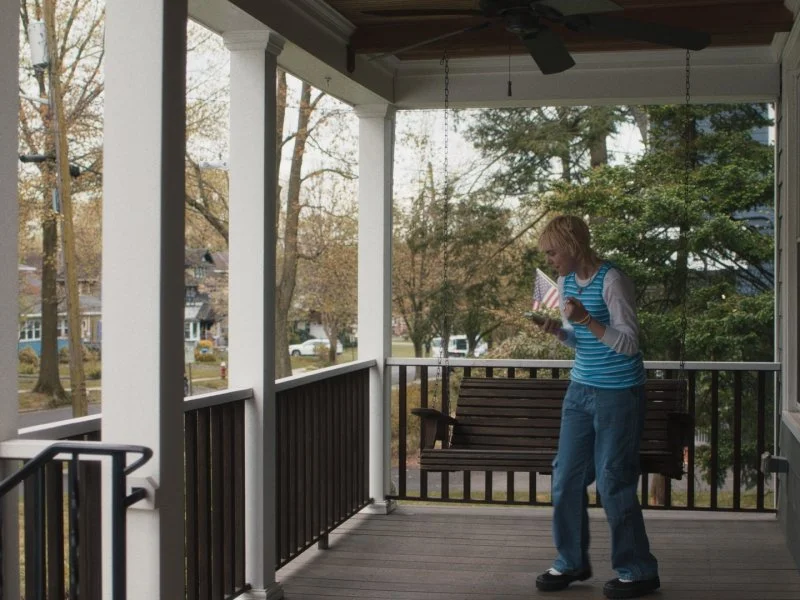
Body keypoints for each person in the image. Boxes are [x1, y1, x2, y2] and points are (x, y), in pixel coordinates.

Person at [533, 215, 660, 599]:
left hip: (618, 393)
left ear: (572, 246)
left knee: (612, 478)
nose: (550, 260)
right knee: (566, 476)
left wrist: (586, 319)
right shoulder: (566, 283)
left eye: (553, 252)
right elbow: (580, 340)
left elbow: (629, 344)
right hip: (580, 391)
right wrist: (559, 331)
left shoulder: (612, 280)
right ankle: (571, 561)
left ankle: (638, 571)